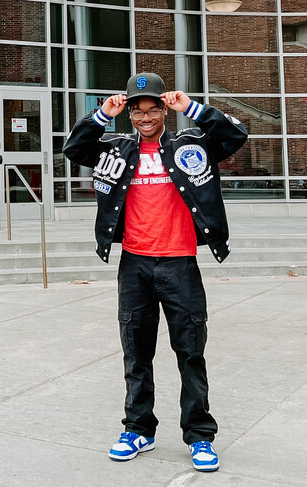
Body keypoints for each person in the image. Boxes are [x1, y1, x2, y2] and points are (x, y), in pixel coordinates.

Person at [63, 72, 247, 473]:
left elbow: (235, 136)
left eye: (153, 109)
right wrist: (100, 114)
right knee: (136, 352)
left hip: (180, 262)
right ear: (129, 113)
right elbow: (74, 148)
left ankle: (200, 436)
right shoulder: (115, 148)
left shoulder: (190, 143)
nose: (145, 117)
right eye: (137, 110)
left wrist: (192, 108)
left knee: (190, 352)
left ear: (164, 109)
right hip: (135, 264)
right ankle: (138, 429)